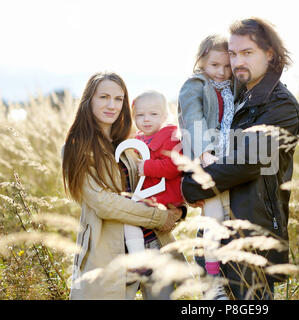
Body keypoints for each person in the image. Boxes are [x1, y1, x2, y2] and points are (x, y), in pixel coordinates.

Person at [181, 18, 299, 300]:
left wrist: (190, 185)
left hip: (252, 240)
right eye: (233, 54)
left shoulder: (281, 106)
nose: (237, 62)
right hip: (213, 235)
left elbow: (244, 163)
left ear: (269, 53)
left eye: (247, 53)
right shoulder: (235, 97)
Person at [62, 72, 182, 300]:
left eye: (118, 99)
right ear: (89, 101)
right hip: (108, 252)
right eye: (104, 97)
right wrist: (158, 217)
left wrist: (178, 209)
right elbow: (104, 204)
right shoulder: (76, 147)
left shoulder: (131, 142)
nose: (112, 105)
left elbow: (157, 182)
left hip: (154, 243)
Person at [178, 34, 234, 299]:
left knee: (226, 219)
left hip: (227, 162)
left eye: (226, 66)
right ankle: (212, 281)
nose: (221, 72)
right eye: (214, 65)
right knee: (213, 218)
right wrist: (204, 153)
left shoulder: (232, 88)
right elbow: (193, 119)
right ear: (200, 62)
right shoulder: (195, 85)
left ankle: (223, 275)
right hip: (207, 162)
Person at [124, 89, 185, 257]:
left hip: (165, 195)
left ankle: (138, 258)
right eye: (140, 115)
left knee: (131, 217)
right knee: (131, 221)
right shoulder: (138, 139)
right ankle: (138, 255)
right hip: (149, 194)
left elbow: (174, 166)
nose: (146, 119)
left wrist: (147, 167)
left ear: (165, 116)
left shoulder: (170, 136)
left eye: (153, 114)